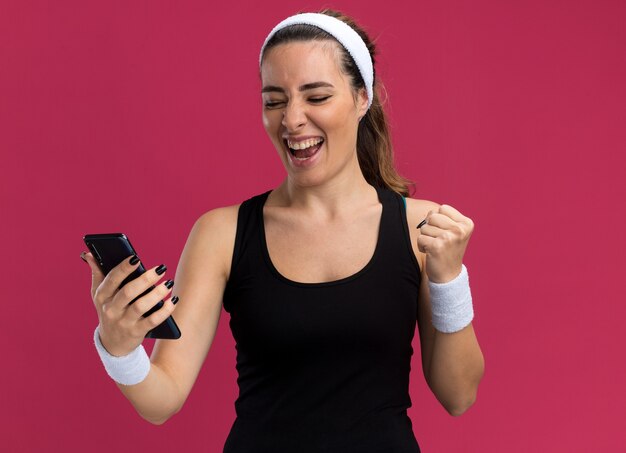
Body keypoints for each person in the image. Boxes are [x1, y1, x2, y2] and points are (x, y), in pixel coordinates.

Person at [81, 8, 484, 452]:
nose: (291, 119)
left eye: (316, 97)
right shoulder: (223, 234)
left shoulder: (421, 228)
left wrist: (450, 280)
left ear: (362, 97)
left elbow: (459, 396)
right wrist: (118, 348)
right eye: (274, 100)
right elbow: (162, 399)